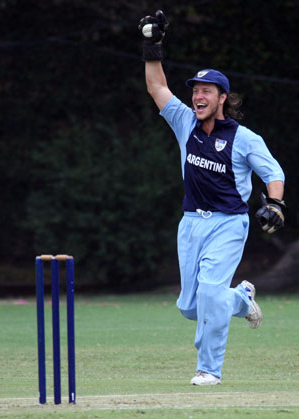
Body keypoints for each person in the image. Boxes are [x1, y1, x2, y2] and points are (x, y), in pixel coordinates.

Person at [139, 11, 286, 385]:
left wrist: (275, 204)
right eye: (195, 90)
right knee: (191, 306)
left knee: (208, 294)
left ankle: (208, 369)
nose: (197, 96)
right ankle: (241, 298)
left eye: (205, 91)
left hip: (228, 223)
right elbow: (157, 88)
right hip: (190, 224)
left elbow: (274, 173)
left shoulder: (244, 137)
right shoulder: (186, 122)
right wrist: (151, 46)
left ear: (222, 98)